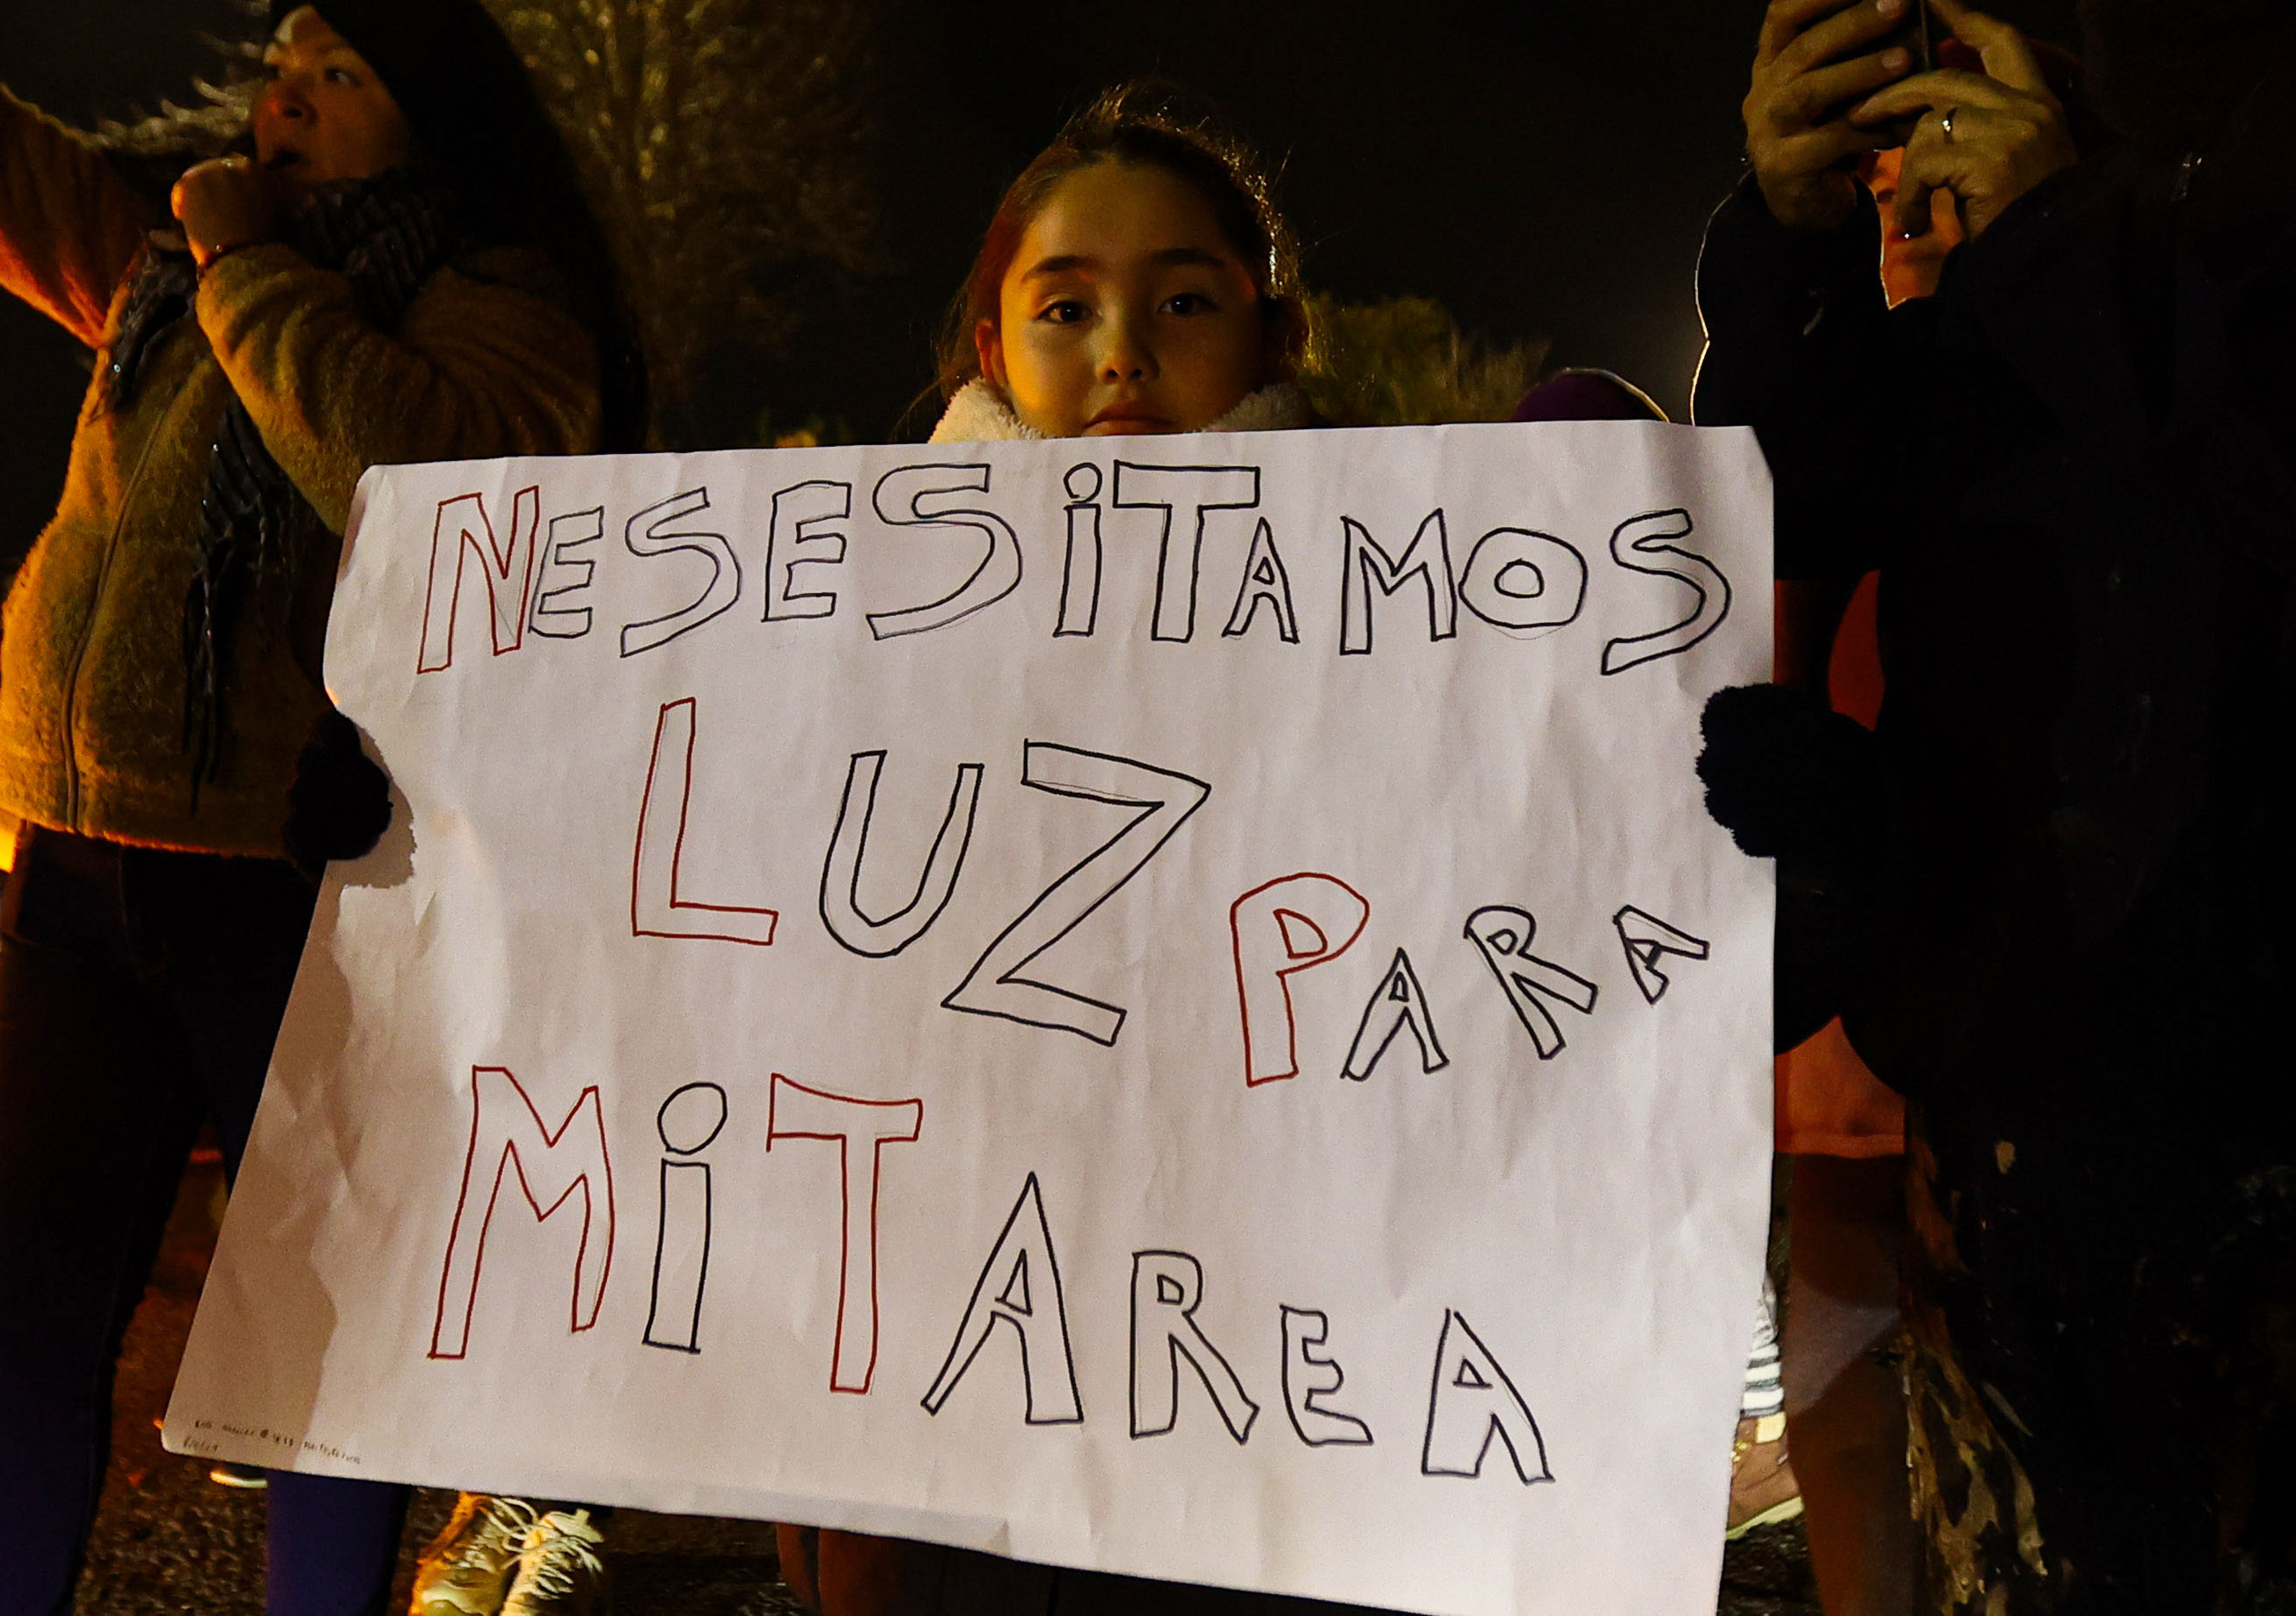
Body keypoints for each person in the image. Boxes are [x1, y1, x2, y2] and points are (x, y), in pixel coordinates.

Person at [779, 82, 1683, 1616]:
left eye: (1181, 297)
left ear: (1274, 334)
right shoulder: (830, 618)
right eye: (1064, 303)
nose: (1120, 347)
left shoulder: (1411, 611)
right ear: (990, 347)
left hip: (1280, 1388)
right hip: (942, 1382)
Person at [0, 0, 631, 1607]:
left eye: (340, 72)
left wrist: (247, 274)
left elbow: (418, 477)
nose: (286, 105)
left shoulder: (497, 304)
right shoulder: (160, 259)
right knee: (29, 1319)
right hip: (81, 852)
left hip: (303, 881)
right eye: (281, 72)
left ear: (434, 111)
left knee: (309, 1343)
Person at [1696, 0, 2296, 1607]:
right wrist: (1788, 241)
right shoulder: (2002, 279)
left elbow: (2211, 562)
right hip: (2003, 1142)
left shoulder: (2183, 209)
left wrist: (2065, 240)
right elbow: (1792, 507)